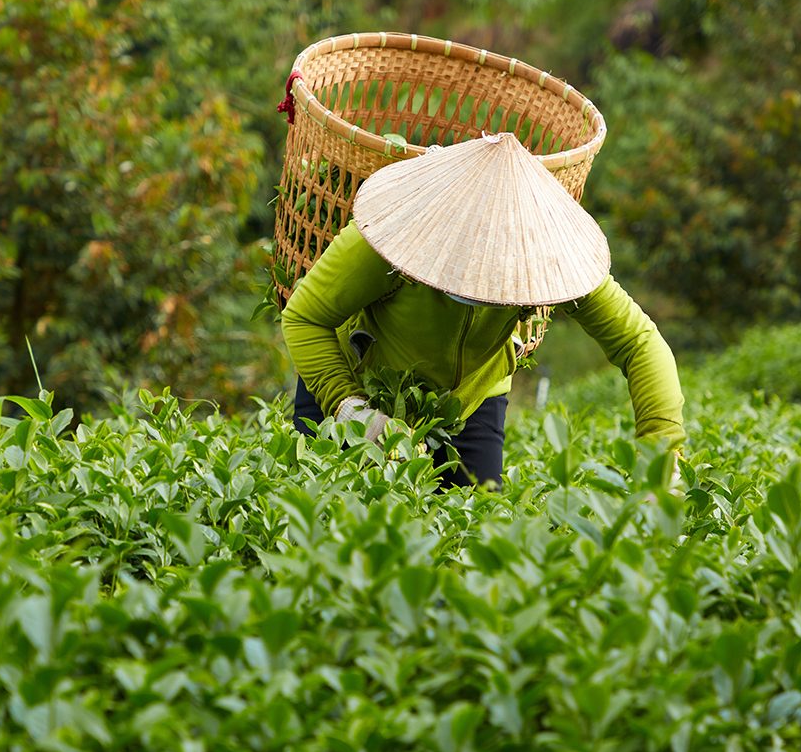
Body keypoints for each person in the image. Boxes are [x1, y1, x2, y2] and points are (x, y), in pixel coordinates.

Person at [280, 132, 684, 488]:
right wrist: (350, 407)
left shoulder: (549, 254)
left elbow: (639, 343)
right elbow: (304, 318)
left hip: (472, 398)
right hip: (355, 379)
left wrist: (661, 456)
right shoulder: (386, 236)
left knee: (473, 526)